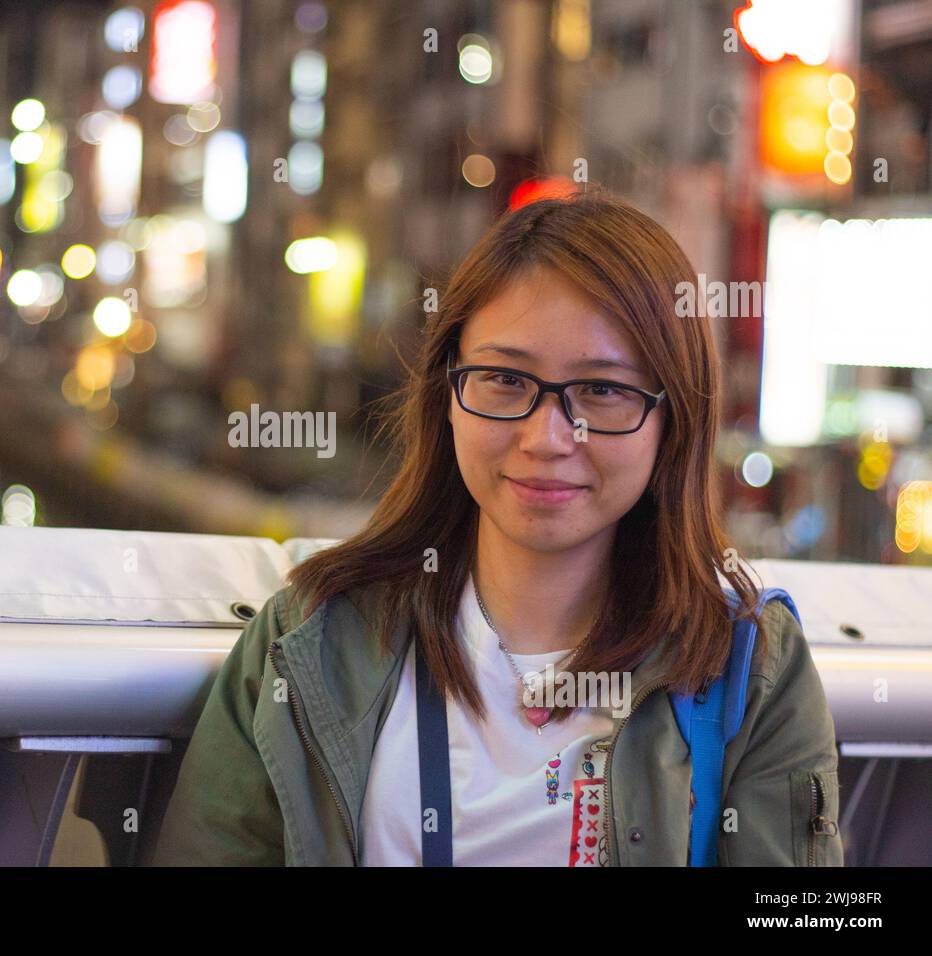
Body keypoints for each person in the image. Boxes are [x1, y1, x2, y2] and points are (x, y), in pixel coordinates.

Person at [150, 191, 843, 866]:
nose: (547, 437)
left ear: (673, 420)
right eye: (505, 381)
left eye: (602, 391)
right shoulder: (308, 643)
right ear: (447, 393)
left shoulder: (747, 667)